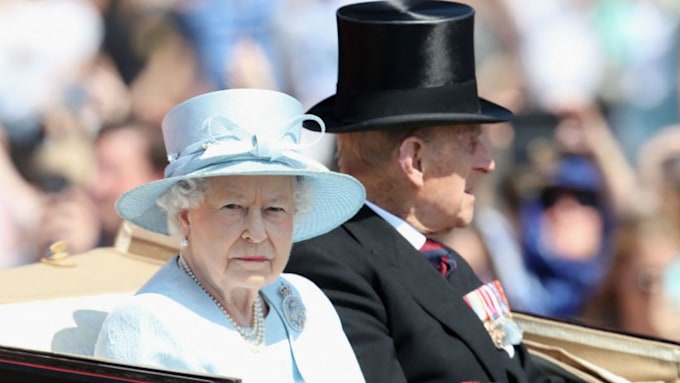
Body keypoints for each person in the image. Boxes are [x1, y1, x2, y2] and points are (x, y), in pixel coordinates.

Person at [285, 2, 564, 382]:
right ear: (414, 160)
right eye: (471, 143)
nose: (487, 163)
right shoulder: (329, 265)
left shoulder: (441, 261)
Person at [94, 88, 367, 382]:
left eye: (275, 209)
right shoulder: (148, 323)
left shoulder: (306, 300)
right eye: (233, 207)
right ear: (185, 215)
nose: (257, 233)